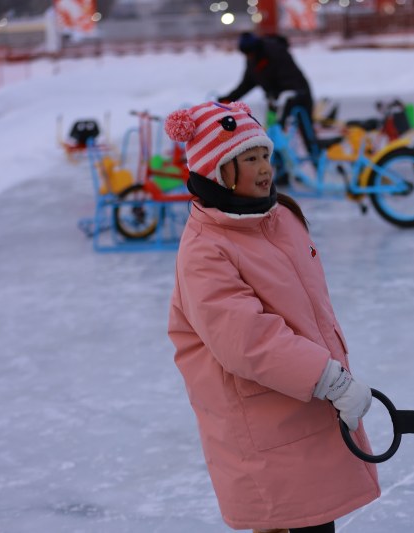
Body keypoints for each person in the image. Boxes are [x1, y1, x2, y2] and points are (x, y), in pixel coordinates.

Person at [165, 101, 380, 533]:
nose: (264, 168)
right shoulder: (206, 249)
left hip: (301, 400)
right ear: (217, 170)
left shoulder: (279, 218)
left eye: (265, 155)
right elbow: (246, 339)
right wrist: (329, 377)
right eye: (248, 159)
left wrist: (327, 376)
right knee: (292, 518)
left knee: (310, 517)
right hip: (262, 418)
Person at [218, 32, 317, 159]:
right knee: (271, 134)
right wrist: (229, 98)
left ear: (256, 48)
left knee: (305, 133)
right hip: (275, 102)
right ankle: (281, 170)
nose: (248, 56)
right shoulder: (253, 59)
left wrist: (278, 93)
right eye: (245, 53)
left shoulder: (276, 52)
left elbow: (290, 78)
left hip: (297, 96)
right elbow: (247, 83)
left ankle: (317, 160)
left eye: (249, 52)